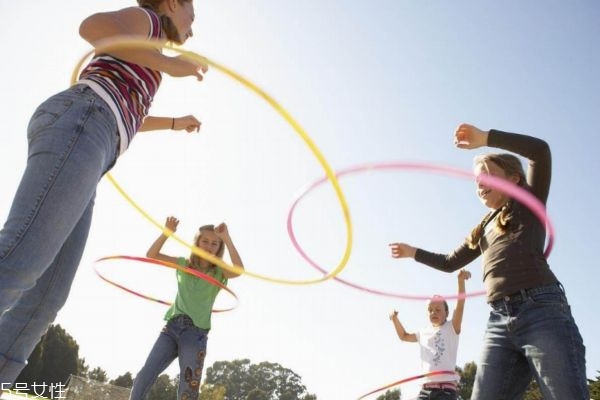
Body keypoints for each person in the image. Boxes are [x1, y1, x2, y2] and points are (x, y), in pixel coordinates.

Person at [0, 0, 207, 390]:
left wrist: (176, 123)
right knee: (20, 258)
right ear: (172, 3)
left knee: (48, 296)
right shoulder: (146, 22)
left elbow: (130, 109)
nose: (192, 29)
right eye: (191, 17)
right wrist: (172, 65)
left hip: (97, 140)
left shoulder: (149, 52)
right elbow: (91, 28)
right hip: (83, 120)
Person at [389, 123, 588, 399]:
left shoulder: (528, 202)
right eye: (476, 180)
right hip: (498, 320)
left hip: (542, 310)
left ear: (514, 179)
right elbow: (449, 262)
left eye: (487, 176)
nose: (479, 183)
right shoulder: (482, 229)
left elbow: (540, 152)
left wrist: (485, 138)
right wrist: (413, 253)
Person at [129, 216, 243, 400]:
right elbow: (152, 254)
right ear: (196, 243)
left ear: (219, 248)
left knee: (187, 388)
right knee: (144, 375)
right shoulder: (184, 264)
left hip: (195, 333)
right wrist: (167, 233)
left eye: (215, 243)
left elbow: (238, 270)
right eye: (204, 241)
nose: (209, 245)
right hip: (171, 328)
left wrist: (227, 238)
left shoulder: (219, 272)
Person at [390, 270, 470, 400]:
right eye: (430, 310)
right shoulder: (423, 332)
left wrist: (460, 281)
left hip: (445, 391)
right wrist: (395, 319)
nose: (433, 312)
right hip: (425, 391)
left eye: (438, 310)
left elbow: (460, 305)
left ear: (447, 312)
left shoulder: (452, 327)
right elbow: (404, 336)